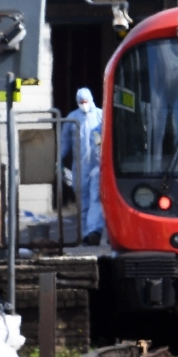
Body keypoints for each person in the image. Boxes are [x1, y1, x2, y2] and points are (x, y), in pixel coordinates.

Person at [60, 88, 103, 243]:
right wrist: (58, 159)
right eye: (81, 102)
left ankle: (94, 231)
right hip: (79, 168)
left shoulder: (100, 116)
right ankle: (86, 235)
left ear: (91, 100)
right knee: (83, 201)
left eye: (86, 102)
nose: (84, 105)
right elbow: (64, 142)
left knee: (96, 198)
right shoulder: (72, 119)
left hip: (97, 166)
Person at [83, 127, 105, 246]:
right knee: (96, 200)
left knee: (95, 201)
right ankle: (94, 232)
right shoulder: (97, 130)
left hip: (102, 168)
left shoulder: (97, 129)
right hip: (102, 169)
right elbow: (96, 152)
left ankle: (94, 231)